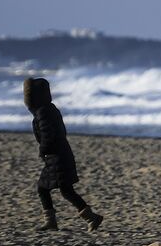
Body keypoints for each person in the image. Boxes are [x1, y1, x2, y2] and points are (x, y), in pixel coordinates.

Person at [23, 77, 104, 232]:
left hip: (57, 156)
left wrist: (43, 150)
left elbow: (48, 134)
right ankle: (85, 218)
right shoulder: (48, 109)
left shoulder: (43, 112)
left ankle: (88, 218)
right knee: (57, 189)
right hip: (59, 155)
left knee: (54, 189)